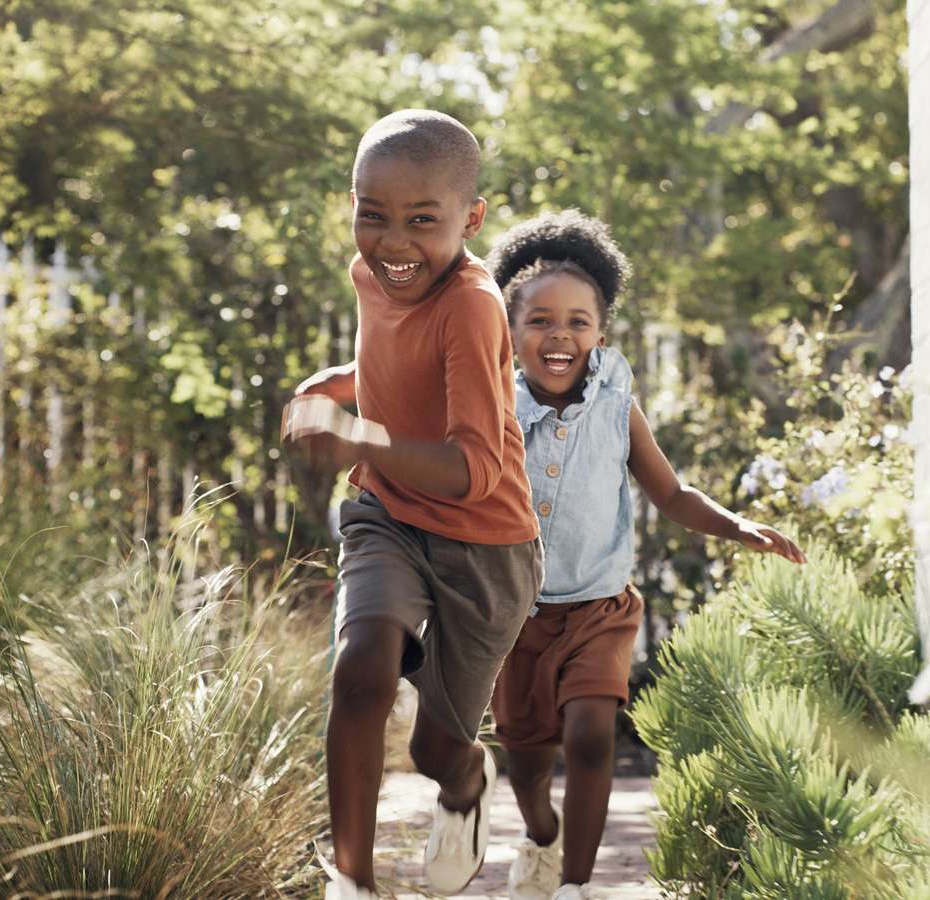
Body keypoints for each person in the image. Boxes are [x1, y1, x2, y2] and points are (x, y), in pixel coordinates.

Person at [485, 210, 806, 900]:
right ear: (509, 333)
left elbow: (670, 490)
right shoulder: (493, 408)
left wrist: (739, 525)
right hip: (513, 615)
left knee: (593, 734)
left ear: (601, 331)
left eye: (578, 321)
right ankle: (540, 837)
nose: (559, 335)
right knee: (528, 764)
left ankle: (573, 884)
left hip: (600, 606)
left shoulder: (615, 402)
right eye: (539, 321)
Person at [282, 109, 543, 900]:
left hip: (485, 546)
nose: (393, 243)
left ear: (470, 220)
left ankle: (467, 785)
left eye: (421, 222)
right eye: (373, 215)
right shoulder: (375, 275)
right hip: (388, 512)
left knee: (435, 751)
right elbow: (399, 362)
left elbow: (472, 469)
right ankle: (351, 883)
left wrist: (357, 438)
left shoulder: (473, 303)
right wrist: (343, 384)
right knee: (360, 671)